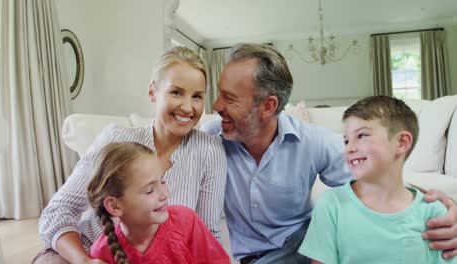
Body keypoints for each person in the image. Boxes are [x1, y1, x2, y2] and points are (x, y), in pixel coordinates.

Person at [201, 43, 457, 264]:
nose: (216, 106)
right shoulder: (211, 138)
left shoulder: (313, 141)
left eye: (229, 98)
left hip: (303, 244)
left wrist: (444, 206)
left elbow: (377, 182)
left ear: (268, 106)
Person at [34, 47, 227, 264]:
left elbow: (208, 233)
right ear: (153, 92)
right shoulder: (116, 138)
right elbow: (59, 210)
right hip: (86, 252)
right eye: (176, 92)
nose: (187, 107)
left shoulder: (209, 151)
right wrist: (84, 260)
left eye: (197, 96)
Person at [299, 96, 457, 264]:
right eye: (346, 141)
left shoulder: (433, 212)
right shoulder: (331, 204)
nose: (350, 148)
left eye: (361, 135)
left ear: (402, 143)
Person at [87, 142, 230, 263]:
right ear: (114, 206)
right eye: (149, 190)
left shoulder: (186, 221)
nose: (165, 194)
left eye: (163, 181)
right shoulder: (101, 252)